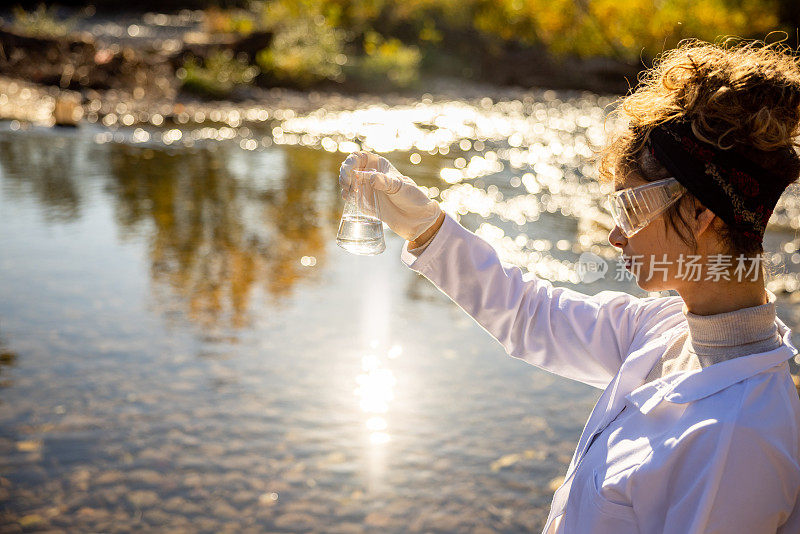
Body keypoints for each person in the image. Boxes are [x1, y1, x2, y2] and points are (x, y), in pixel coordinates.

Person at [339, 39, 800, 533]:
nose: (614, 233)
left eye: (628, 208)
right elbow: (528, 315)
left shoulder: (737, 440)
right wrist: (425, 225)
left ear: (699, 211)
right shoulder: (664, 330)